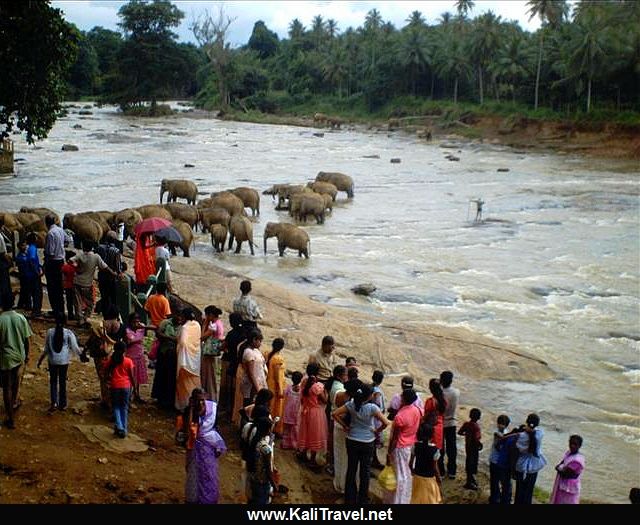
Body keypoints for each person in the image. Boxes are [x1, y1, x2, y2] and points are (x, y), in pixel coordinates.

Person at [333, 380, 390, 505]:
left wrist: (345, 426)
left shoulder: (351, 404)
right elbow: (386, 423)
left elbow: (335, 414)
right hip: (367, 441)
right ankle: (363, 499)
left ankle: (349, 498)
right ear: (369, 396)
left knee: (351, 469)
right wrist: (376, 431)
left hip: (352, 439)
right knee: (365, 471)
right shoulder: (372, 408)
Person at [178, 387, 227, 504]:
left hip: (208, 446)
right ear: (192, 400)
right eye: (197, 400)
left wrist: (217, 445)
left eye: (202, 400)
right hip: (194, 447)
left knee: (209, 474)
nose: (200, 403)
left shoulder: (213, 409)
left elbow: (216, 426)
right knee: (194, 474)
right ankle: (193, 499)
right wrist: (192, 409)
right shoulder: (189, 411)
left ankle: (208, 499)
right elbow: (188, 429)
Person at [36, 312, 83, 413]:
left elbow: (46, 349)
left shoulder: (50, 332)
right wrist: (82, 356)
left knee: (53, 381)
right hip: (64, 361)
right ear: (65, 322)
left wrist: (40, 360)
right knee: (62, 382)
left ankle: (54, 403)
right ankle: (63, 404)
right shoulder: (68, 333)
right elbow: (75, 348)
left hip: (52, 360)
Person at [0, 295, 33, 429]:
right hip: (19, 356)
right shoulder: (20, 318)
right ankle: (14, 403)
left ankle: (10, 418)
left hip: (6, 358)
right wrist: (27, 355)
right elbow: (27, 339)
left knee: (6, 387)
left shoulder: (1, 320)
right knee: (15, 383)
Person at [387, 388, 422, 504]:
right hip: (410, 445)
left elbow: (395, 437)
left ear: (403, 399)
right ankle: (405, 499)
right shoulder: (417, 410)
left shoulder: (400, 416)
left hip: (400, 447)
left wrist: (389, 451)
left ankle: (398, 501)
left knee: (399, 476)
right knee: (406, 474)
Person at [71, 240, 118, 327]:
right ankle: (85, 318)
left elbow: (70, 260)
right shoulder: (96, 257)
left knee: (78, 302)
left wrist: (77, 268)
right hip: (87, 284)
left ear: (83, 246)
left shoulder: (80, 254)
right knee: (91, 303)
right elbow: (105, 267)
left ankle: (80, 320)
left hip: (77, 281)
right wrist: (114, 273)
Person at [232, 329, 267, 427]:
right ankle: (246, 427)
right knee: (249, 406)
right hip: (252, 385)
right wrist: (257, 387)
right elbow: (251, 373)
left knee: (253, 406)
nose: (260, 343)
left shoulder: (255, 351)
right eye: (259, 341)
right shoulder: (248, 353)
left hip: (257, 382)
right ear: (254, 340)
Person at [297, 362, 329, 470]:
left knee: (305, 432)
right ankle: (312, 460)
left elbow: (302, 398)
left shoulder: (304, 382)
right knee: (315, 434)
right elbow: (324, 400)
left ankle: (303, 453)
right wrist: (324, 389)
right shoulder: (317, 386)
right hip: (315, 412)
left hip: (306, 410)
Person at [104, 341, 135, 438]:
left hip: (115, 386)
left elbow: (106, 371)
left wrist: (108, 381)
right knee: (124, 407)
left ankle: (119, 426)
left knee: (116, 407)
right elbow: (132, 376)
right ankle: (124, 428)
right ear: (125, 350)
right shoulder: (128, 361)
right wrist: (134, 387)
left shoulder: (111, 360)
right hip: (126, 386)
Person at [514, 413, 547, 504]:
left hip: (521, 466)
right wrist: (530, 430)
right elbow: (535, 432)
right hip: (534, 466)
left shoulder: (521, 436)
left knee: (519, 490)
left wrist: (523, 429)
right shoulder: (539, 434)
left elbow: (517, 448)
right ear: (537, 424)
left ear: (527, 422)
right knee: (529, 491)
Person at [151, 310, 181, 409]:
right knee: (161, 375)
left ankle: (169, 399)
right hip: (163, 353)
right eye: (178, 316)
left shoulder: (182, 327)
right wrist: (170, 338)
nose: (180, 319)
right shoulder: (165, 323)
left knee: (171, 377)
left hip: (174, 356)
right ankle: (160, 398)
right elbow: (158, 333)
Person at [175, 308, 202, 412]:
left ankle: (184, 405)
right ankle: (196, 404)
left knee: (183, 384)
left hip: (185, 359)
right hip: (195, 358)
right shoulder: (197, 325)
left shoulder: (185, 327)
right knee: (195, 382)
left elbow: (183, 342)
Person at [246, 416, 277, 504]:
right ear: (268, 430)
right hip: (262, 481)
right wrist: (274, 485)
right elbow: (268, 470)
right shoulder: (266, 449)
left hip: (254, 477)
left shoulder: (255, 441)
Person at [410, 422, 443, 504]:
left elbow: (410, 463)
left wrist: (413, 471)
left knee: (416, 499)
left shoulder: (415, 446)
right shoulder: (435, 449)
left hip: (417, 478)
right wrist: (439, 478)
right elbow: (435, 468)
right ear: (432, 436)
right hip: (429, 479)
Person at [44, 214, 70, 317]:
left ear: (46, 223)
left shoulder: (50, 233)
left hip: (53, 263)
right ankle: (61, 310)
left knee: (52, 288)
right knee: (59, 287)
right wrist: (61, 247)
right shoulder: (60, 229)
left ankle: (55, 311)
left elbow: (50, 252)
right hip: (61, 261)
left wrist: (46, 260)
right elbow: (68, 240)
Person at [220, 312, 245, 419]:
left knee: (226, 385)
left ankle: (225, 407)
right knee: (235, 388)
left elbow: (223, 346)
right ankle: (233, 408)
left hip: (228, 360)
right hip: (238, 362)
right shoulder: (243, 334)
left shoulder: (231, 334)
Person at [124, 312, 153, 403]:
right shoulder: (127, 330)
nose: (136, 324)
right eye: (134, 322)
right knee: (130, 377)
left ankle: (137, 394)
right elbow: (128, 342)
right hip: (130, 357)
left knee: (137, 377)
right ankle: (129, 396)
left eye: (138, 321)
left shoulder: (142, 328)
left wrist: (144, 327)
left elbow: (154, 328)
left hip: (139, 355)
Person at [489, 414, 517, 504]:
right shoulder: (497, 433)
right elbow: (498, 446)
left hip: (500, 462)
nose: (501, 425)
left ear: (506, 425)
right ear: (497, 424)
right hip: (495, 460)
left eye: (503, 424)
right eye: (500, 423)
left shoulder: (505, 433)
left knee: (503, 482)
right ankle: (496, 498)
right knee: (495, 481)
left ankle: (502, 498)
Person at [550, 435, 585, 504]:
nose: (572, 446)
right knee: (559, 500)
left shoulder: (577, 460)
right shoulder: (569, 453)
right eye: (571, 443)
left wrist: (558, 468)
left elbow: (565, 474)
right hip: (563, 484)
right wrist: (560, 468)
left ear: (579, 446)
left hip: (569, 487)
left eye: (575, 444)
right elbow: (563, 462)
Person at [200, 305, 224, 402]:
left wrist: (205, 324)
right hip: (214, 353)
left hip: (209, 353)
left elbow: (202, 337)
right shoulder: (219, 323)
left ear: (210, 315)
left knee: (209, 376)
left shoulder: (213, 326)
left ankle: (210, 397)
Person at [15, 234, 43, 317]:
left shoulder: (28, 250)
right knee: (37, 293)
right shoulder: (32, 248)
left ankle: (31, 308)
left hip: (28, 275)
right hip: (32, 275)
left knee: (30, 292)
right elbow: (32, 260)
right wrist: (36, 272)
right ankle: (36, 311)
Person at [423, 378, 447, 473]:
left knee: (430, 450)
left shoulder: (430, 401)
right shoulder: (443, 401)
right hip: (440, 426)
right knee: (438, 449)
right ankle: (440, 470)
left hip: (431, 427)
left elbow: (426, 415)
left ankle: (431, 470)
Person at [95, 232, 122, 314]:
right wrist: (119, 273)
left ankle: (104, 312)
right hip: (111, 276)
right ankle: (113, 313)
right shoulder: (116, 250)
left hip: (102, 275)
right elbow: (118, 265)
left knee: (104, 295)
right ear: (114, 240)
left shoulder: (99, 248)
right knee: (113, 296)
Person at [439, 370, 459, 479]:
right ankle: (452, 471)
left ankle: (441, 471)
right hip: (452, 422)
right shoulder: (456, 392)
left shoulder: (440, 393)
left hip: (441, 423)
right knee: (452, 448)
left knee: (441, 448)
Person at [264, 338, 286, 436]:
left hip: (269, 382)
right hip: (276, 385)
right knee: (276, 407)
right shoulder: (278, 359)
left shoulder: (268, 354)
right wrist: (280, 389)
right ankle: (275, 428)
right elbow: (277, 375)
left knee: (270, 405)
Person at [458, 408, 483, 490]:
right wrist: (480, 444)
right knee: (473, 464)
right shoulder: (476, 427)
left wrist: (467, 434)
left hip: (468, 447)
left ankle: (470, 480)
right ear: (479, 417)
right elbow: (476, 438)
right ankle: (470, 482)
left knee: (469, 463)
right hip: (474, 448)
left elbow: (460, 432)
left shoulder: (467, 424)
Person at [281, 371, 303, 450]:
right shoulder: (301, 390)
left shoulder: (288, 387)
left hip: (287, 411)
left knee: (286, 428)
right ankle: (294, 444)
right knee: (295, 429)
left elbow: (283, 395)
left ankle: (285, 444)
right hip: (296, 412)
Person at [370, 370, 386, 470]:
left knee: (373, 440)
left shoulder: (371, 388)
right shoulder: (377, 392)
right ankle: (374, 460)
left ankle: (374, 459)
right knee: (375, 439)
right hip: (376, 419)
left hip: (372, 417)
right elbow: (378, 405)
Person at [0, 216, 14, 310]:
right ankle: (5, 304)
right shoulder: (0, 237)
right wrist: (10, 262)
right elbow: (3, 253)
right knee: (4, 284)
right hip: (1, 262)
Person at [61, 251, 77, 321]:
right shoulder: (75, 267)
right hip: (74, 286)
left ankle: (70, 314)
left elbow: (63, 277)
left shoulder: (64, 267)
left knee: (69, 301)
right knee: (75, 301)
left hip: (67, 286)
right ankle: (76, 315)